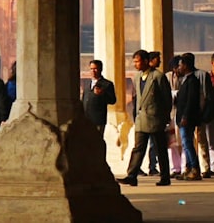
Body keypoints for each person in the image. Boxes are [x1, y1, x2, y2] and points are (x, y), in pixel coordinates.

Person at [118, 49, 173, 187]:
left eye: (138, 61)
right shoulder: (137, 78)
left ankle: (165, 177)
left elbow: (167, 99)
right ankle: (132, 175)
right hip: (141, 119)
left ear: (146, 61)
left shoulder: (158, 77)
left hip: (156, 119)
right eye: (134, 61)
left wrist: (165, 117)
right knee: (138, 148)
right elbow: (137, 99)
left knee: (160, 149)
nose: (135, 64)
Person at [175, 53, 203, 180]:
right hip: (182, 117)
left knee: (188, 143)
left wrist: (185, 116)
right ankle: (188, 168)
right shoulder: (184, 80)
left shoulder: (192, 81)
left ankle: (195, 168)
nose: (179, 68)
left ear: (186, 65)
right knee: (186, 144)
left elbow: (191, 101)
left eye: (180, 65)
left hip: (187, 118)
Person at [82, 58, 117, 132]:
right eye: (91, 69)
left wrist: (102, 94)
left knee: (97, 142)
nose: (93, 71)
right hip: (86, 121)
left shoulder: (107, 84)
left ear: (100, 69)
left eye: (95, 69)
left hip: (98, 120)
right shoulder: (87, 83)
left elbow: (112, 100)